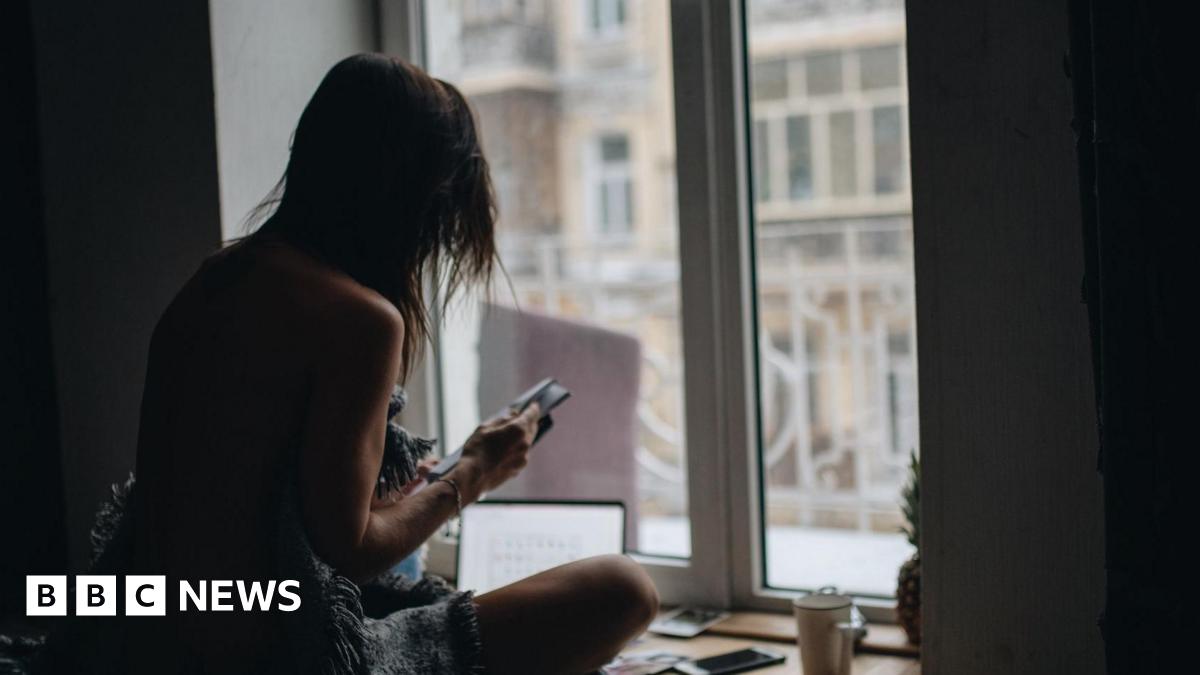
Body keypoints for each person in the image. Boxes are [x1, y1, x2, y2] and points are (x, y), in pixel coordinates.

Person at [33, 53, 657, 675]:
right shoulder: (359, 318)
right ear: (420, 199)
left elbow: (255, 521)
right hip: (266, 656)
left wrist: (404, 495)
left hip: (143, 633)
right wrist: (473, 472)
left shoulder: (219, 275)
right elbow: (351, 553)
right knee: (623, 590)